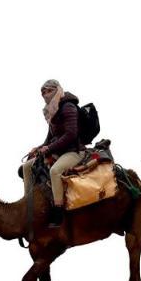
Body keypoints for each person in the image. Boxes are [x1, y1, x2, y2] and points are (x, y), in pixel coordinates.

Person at [22, 79, 85, 227]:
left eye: (48, 90)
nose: (45, 94)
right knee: (27, 166)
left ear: (57, 90)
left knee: (55, 171)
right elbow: (50, 138)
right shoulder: (52, 111)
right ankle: (28, 201)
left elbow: (71, 134)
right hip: (58, 151)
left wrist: (49, 149)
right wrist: (39, 148)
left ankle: (58, 211)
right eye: (43, 92)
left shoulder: (68, 107)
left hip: (73, 151)